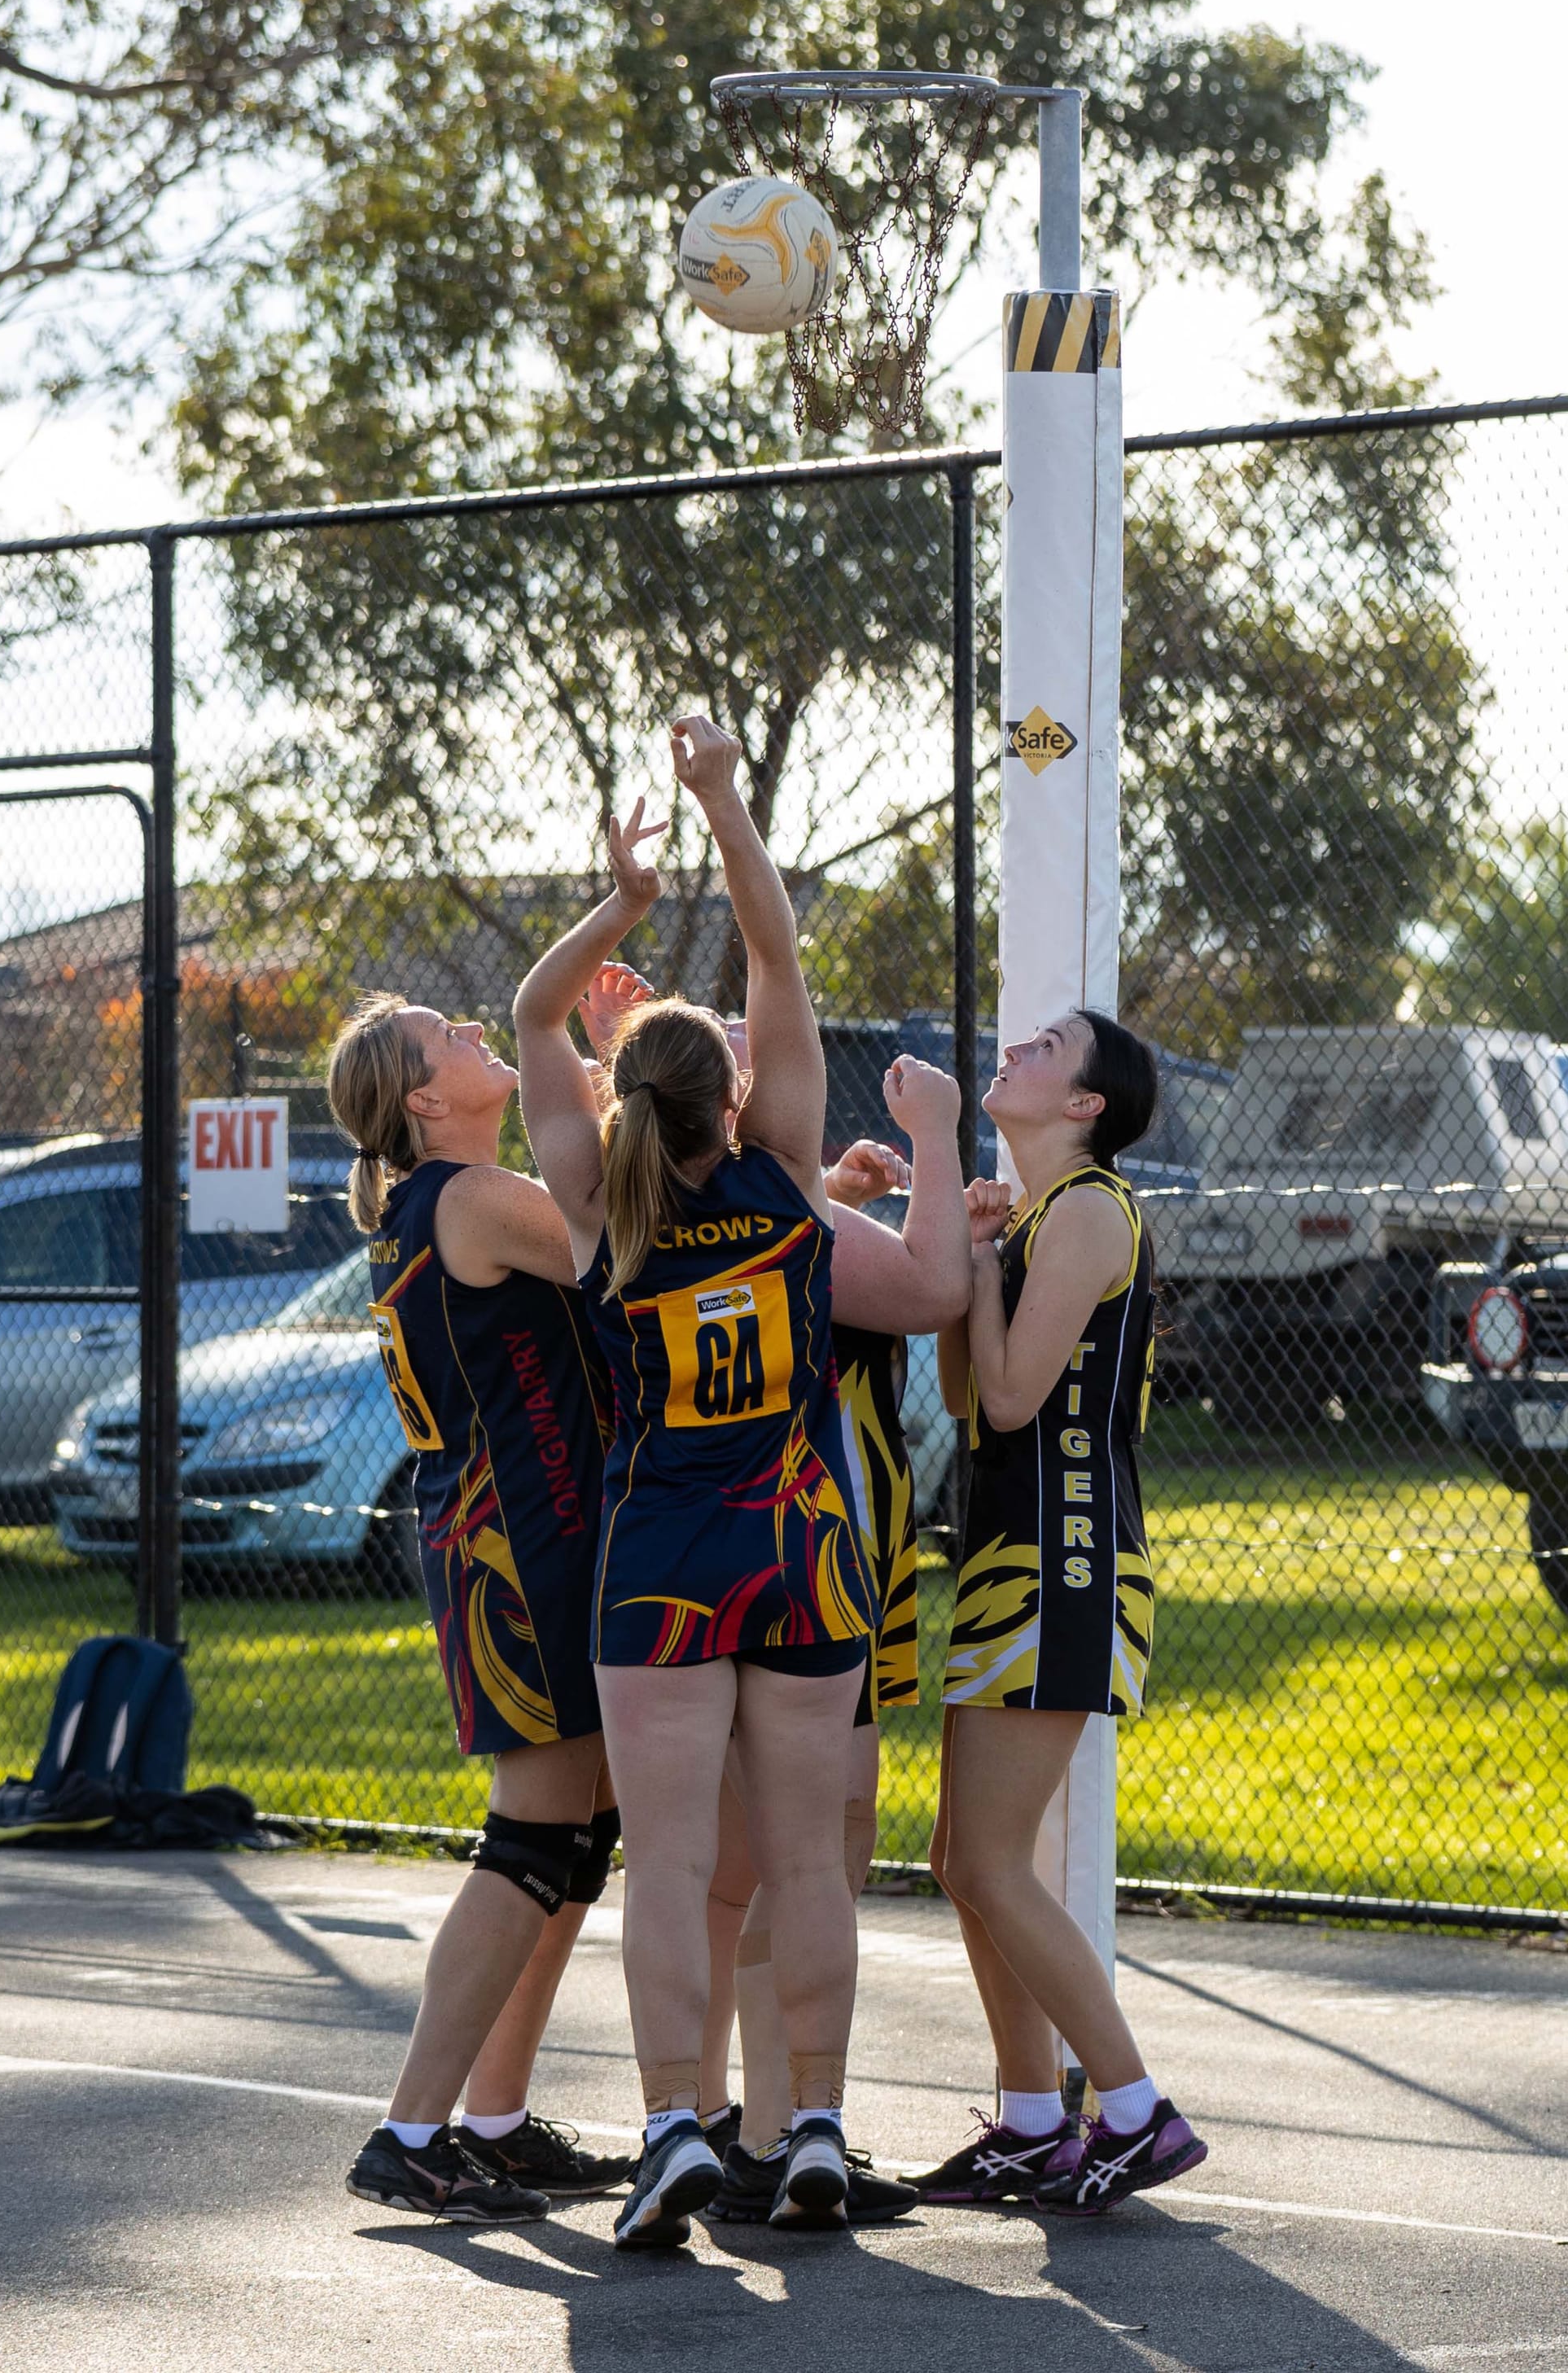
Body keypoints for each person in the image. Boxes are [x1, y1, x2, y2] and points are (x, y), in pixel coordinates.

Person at [513, 715, 879, 2249]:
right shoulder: (784, 1171)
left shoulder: (598, 1203)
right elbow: (779, 958)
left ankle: (675, 2126)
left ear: (623, 1101)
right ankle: (816, 2127)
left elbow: (533, 1016)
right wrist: (724, 803)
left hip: (662, 1553)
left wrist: (621, 904)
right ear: (731, 1092)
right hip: (803, 1548)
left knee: (665, 1862)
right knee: (805, 1860)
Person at [326, 984, 638, 2224]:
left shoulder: (435, 1200)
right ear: (423, 1099)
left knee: (578, 1837)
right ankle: (410, 2134)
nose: (474, 1035)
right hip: (524, 1552)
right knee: (529, 1841)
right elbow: (633, 1247)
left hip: (521, 1538)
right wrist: (624, 1072)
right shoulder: (468, 1198)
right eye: (448, 1038)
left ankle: (496, 2121)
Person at [916, 1010, 1208, 2215]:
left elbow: (1010, 1395)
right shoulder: (1038, 1216)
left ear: (1087, 1105)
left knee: (991, 1859)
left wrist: (983, 1270)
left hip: (1068, 1560)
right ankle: (1034, 2124)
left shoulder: (1089, 1211)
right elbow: (963, 1386)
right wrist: (973, 1259)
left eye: (1048, 1047)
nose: (1019, 1050)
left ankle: (1136, 2111)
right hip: (1013, 1554)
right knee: (961, 1861)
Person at [706, 1107, 970, 2226]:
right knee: (802, 1851)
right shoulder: (761, 1208)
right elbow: (928, 1290)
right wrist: (939, 1147)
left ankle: (752, 2124)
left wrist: (849, 1198)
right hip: (805, 1547)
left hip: (804, 1542)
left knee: (799, 1846)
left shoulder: (756, 1201)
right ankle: (767, 2129)